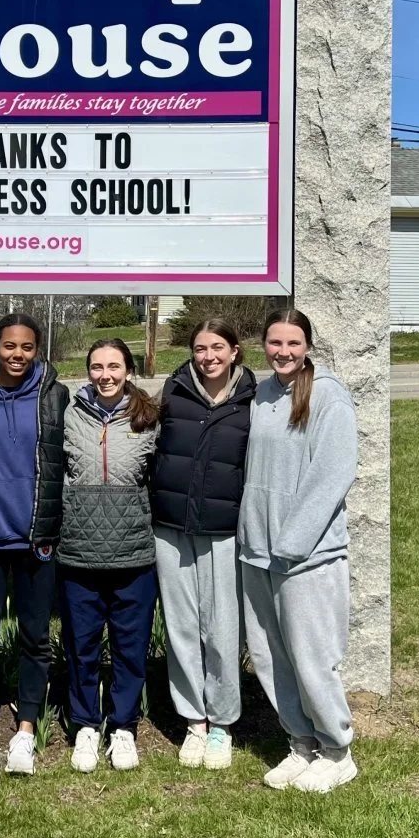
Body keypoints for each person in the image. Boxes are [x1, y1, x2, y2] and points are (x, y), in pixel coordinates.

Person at [239, 308, 360, 794]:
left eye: (292, 343)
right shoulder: (263, 395)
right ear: (263, 346)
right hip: (258, 550)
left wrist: (293, 541)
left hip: (307, 553)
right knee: (271, 656)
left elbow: (333, 475)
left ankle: (337, 751)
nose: (283, 352)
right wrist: (255, 535)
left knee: (312, 656)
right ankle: (301, 743)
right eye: (274, 343)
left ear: (307, 345)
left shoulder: (328, 396)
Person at [0, 313, 68, 778]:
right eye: (9, 346)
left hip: (35, 536)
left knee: (35, 638)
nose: (18, 355)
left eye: (27, 347)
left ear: (37, 349)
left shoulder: (54, 397)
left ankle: (25, 731)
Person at [151, 319, 257, 771]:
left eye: (218, 347)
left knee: (222, 630)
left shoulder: (254, 400)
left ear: (235, 351)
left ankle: (222, 724)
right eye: (200, 348)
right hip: (171, 528)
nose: (208, 356)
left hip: (224, 530)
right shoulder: (173, 393)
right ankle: (194, 720)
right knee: (180, 627)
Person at [59, 338, 160, 773]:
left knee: (129, 646)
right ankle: (84, 724)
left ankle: (122, 726)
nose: (105, 375)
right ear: (88, 372)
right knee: (80, 646)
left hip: (133, 551)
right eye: (97, 367)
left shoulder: (149, 417)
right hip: (79, 552)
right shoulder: (69, 414)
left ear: (129, 371)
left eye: (114, 366)